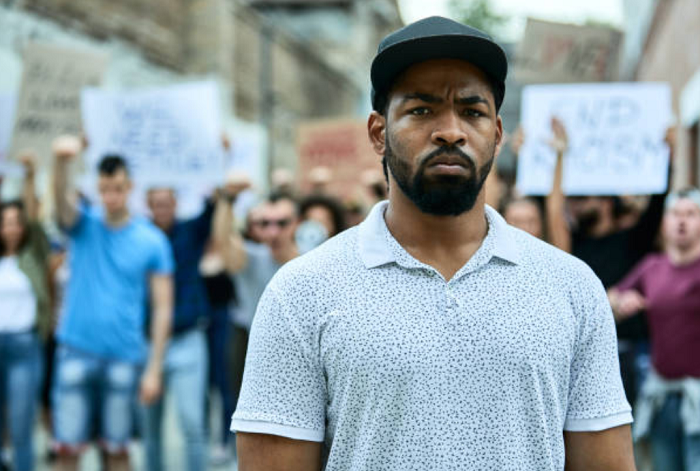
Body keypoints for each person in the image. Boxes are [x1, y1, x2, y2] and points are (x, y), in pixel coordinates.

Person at [232, 16, 635, 471]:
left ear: (497, 135)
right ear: (378, 133)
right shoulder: (301, 292)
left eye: (472, 111)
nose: (450, 131)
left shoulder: (572, 287)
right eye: (421, 110)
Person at [51, 136, 174, 471]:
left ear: (130, 187)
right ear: (97, 188)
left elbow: (163, 307)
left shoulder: (152, 240)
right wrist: (61, 162)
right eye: (104, 189)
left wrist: (154, 368)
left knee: (118, 452)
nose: (111, 196)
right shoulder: (84, 224)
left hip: (124, 355)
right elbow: (60, 203)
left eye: (117, 188)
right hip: (76, 350)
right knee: (67, 450)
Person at [141, 182, 237, 471]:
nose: (162, 209)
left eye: (167, 203)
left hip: (188, 335)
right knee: (150, 427)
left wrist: (221, 192)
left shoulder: (189, 231)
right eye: (156, 204)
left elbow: (212, 213)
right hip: (148, 340)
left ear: (175, 204)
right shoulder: (141, 237)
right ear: (148, 207)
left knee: (193, 422)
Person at [609, 188, 700, 471]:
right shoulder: (652, 267)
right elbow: (608, 300)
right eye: (675, 213)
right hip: (661, 396)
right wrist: (621, 302)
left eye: (691, 214)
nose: (682, 221)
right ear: (664, 222)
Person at [220, 193, 300, 423]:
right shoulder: (250, 259)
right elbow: (223, 240)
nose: (273, 231)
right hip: (255, 352)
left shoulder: (314, 258)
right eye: (265, 223)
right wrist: (227, 199)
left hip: (299, 356)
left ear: (296, 223)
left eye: (282, 223)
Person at [0, 153, 51, 471]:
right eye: (6, 223)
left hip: (24, 346)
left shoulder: (32, 254)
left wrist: (30, 176)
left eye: (16, 223)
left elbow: (34, 220)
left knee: (21, 427)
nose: (12, 229)